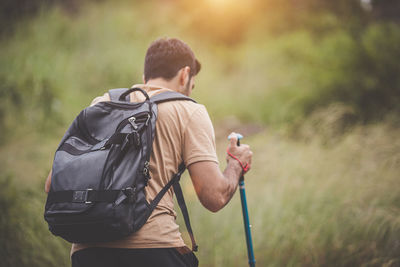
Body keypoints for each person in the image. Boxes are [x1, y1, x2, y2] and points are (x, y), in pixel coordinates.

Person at [45, 37, 253, 267]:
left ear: (145, 78)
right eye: (192, 84)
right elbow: (214, 197)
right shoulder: (189, 110)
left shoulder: (101, 104)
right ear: (185, 75)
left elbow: (51, 184)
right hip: (154, 250)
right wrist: (236, 164)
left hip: (86, 252)